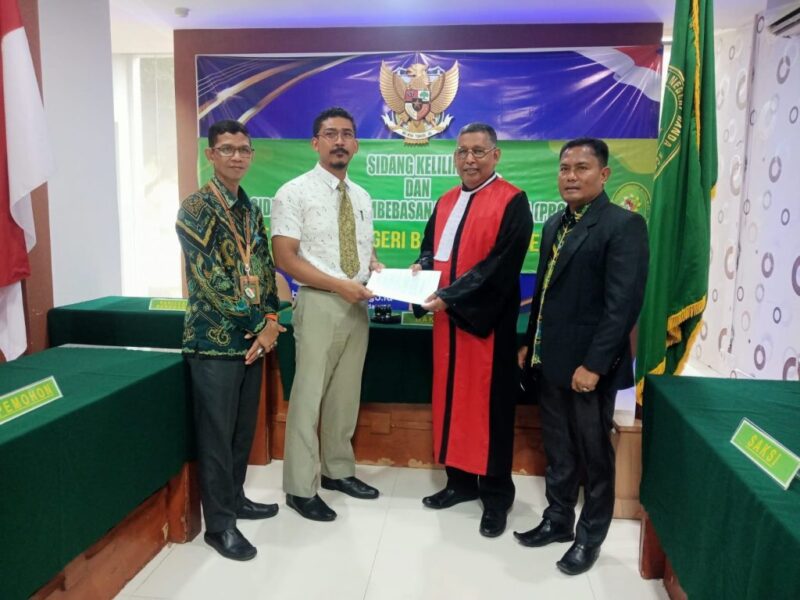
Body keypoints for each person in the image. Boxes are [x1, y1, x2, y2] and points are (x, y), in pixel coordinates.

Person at [514, 138, 649, 575]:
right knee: (559, 450)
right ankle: (557, 521)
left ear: (604, 174)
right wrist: (529, 340)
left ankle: (590, 538)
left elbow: (622, 307)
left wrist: (593, 366)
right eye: (565, 168)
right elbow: (545, 296)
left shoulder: (623, 225)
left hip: (589, 369)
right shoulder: (555, 223)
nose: (571, 176)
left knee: (594, 458)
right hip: (549, 361)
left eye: (582, 168)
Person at [412, 122, 533, 538]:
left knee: (490, 410)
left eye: (479, 152)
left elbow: (501, 265)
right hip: (447, 327)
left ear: (496, 155)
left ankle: (497, 496)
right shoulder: (446, 201)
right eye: (462, 151)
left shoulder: (513, 200)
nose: (469, 159)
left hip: (487, 325)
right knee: (450, 401)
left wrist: (453, 297)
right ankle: (459, 484)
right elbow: (430, 248)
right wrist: (420, 270)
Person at [176, 119, 285, 561]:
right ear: (210, 155)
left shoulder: (249, 209)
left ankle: (235, 498)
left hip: (252, 338)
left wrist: (273, 318)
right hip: (213, 341)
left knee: (242, 431)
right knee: (217, 436)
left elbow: (262, 266)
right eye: (226, 149)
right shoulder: (196, 208)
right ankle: (219, 526)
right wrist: (260, 322)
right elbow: (212, 281)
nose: (236, 156)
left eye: (243, 149)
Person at [271, 107, 382, 522]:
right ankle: (300, 487)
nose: (340, 141)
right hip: (319, 303)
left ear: (355, 144)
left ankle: (338, 471)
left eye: (347, 134)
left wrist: (375, 265)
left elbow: (357, 249)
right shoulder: (293, 192)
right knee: (308, 397)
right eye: (330, 134)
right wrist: (339, 285)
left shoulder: (362, 195)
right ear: (315, 143)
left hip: (357, 305)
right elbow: (285, 257)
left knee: (345, 394)